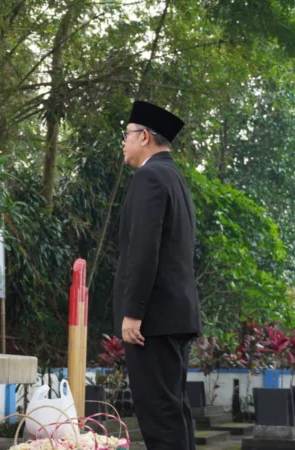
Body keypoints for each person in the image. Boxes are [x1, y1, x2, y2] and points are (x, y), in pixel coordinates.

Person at [113, 101, 202, 450]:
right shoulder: (175, 178)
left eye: (127, 135)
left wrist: (133, 312)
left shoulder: (149, 177)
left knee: (158, 415)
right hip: (175, 315)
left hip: (153, 320)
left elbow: (143, 251)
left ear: (145, 136)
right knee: (175, 410)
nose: (124, 142)